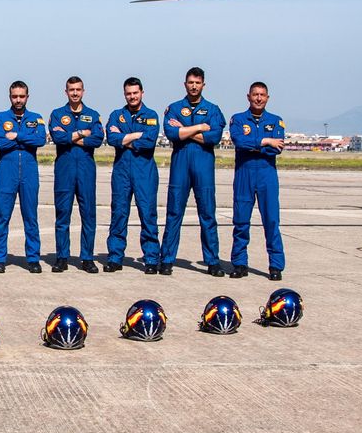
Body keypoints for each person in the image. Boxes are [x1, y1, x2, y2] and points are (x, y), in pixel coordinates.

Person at [163, 66, 227, 277]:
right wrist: (200, 128)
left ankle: (212, 260)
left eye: (197, 82)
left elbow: (214, 138)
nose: (193, 86)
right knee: (174, 213)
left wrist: (185, 131)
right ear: (185, 84)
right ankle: (167, 259)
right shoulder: (174, 108)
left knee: (207, 214)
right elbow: (172, 133)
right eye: (190, 82)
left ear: (203, 85)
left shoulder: (213, 109)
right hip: (180, 165)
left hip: (203, 166)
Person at [230, 81, 287, 280]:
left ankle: (276, 266)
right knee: (241, 221)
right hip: (244, 174)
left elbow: (277, 148)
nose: (259, 98)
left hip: (266, 174)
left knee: (271, 220)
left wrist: (259, 145)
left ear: (268, 98)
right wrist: (264, 141)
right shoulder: (238, 120)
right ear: (248, 96)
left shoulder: (276, 121)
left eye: (262, 95)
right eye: (255, 94)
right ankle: (239, 263)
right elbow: (239, 141)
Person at [48, 75, 104, 272]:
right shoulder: (57, 114)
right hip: (65, 169)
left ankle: (87, 257)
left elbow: (97, 139)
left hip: (86, 170)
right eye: (71, 90)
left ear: (83, 91)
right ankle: (62, 256)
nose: (74, 93)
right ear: (66, 92)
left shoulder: (93, 114)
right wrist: (82, 133)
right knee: (63, 214)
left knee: (88, 214)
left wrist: (71, 136)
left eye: (78, 89)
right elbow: (58, 138)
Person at [105, 77, 161, 273]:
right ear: (124, 94)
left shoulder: (151, 115)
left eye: (135, 93)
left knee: (147, 214)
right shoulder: (117, 115)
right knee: (119, 214)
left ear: (142, 93)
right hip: (122, 171)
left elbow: (149, 141)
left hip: (144, 171)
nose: (132, 97)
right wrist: (136, 135)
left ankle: (152, 259)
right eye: (129, 93)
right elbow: (112, 138)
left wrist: (125, 139)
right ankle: (115, 257)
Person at [0, 80, 47, 273]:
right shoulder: (0, 117)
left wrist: (17, 136)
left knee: (31, 217)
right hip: (7, 172)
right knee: (2, 216)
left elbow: (40, 140)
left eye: (22, 96)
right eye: (15, 96)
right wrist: (24, 139)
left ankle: (33, 258)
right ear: (10, 97)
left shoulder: (36, 118)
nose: (18, 100)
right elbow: (0, 142)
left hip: (29, 173)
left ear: (27, 97)